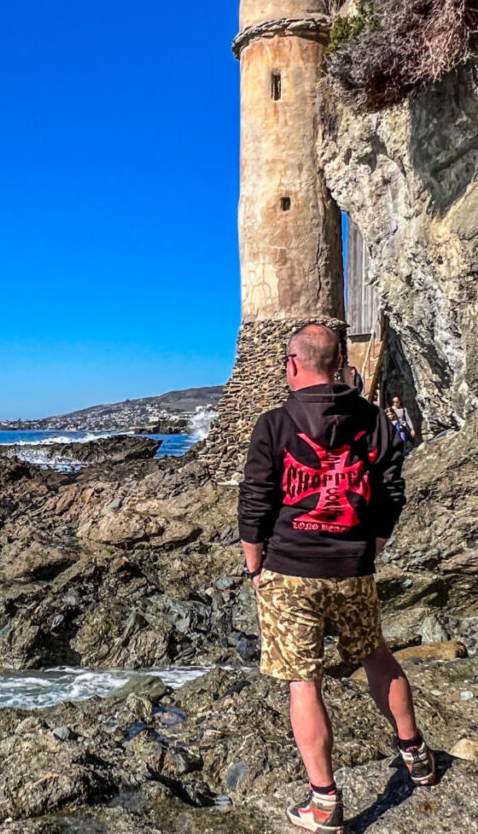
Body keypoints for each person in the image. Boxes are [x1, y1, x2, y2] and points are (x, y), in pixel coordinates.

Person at [238, 324, 435, 834]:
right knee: (376, 655)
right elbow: (392, 489)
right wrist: (373, 545)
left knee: (305, 682)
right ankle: (416, 755)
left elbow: (255, 500)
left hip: (289, 570)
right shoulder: (372, 421)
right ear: (340, 361)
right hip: (353, 568)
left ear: (292, 364)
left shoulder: (275, 424)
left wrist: (254, 565)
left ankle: (323, 803)